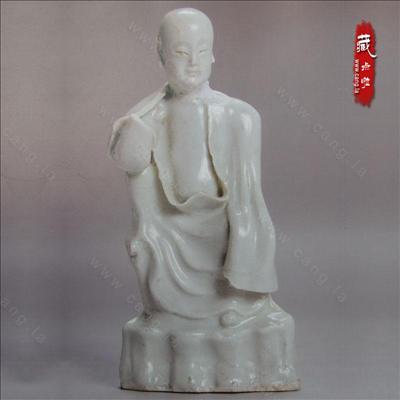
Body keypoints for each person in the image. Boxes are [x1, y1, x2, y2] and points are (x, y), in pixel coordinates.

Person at [108, 8, 278, 326]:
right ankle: (171, 308)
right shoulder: (150, 114)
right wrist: (132, 131)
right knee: (149, 242)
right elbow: (130, 162)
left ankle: (238, 300)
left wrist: (243, 225)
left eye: (202, 51)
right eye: (181, 53)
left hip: (222, 216)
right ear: (161, 54)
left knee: (246, 225)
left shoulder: (239, 115)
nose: (193, 63)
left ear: (213, 54)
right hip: (169, 224)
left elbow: (248, 196)